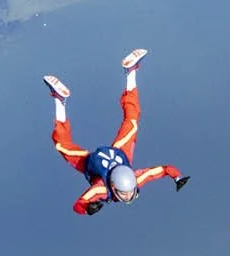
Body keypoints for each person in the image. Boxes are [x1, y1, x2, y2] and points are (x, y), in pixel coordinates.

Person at [44, 49, 188, 215]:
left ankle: (129, 72)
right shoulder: (102, 189)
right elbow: (79, 204)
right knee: (63, 145)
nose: (128, 195)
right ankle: (61, 100)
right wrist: (87, 209)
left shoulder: (135, 180)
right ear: (113, 187)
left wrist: (177, 177)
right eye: (125, 193)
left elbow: (161, 170)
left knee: (131, 121)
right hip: (98, 160)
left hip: (117, 155)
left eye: (128, 192)